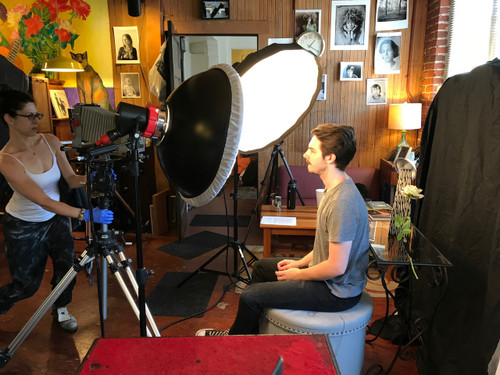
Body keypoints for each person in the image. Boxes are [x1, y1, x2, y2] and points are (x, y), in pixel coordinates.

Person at [196, 123, 370, 336]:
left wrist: (299, 275)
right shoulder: (333, 188)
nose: (306, 154)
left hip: (336, 292)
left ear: (330, 158)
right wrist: (299, 263)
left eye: (312, 150)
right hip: (329, 280)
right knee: (261, 267)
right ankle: (253, 335)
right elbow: (326, 247)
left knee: (250, 296)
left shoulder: (342, 201)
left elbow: (336, 266)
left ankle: (234, 343)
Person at [0, 86, 114, 333]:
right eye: (29, 116)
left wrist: (94, 178)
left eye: (37, 115)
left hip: (56, 217)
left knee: (67, 268)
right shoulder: (7, 160)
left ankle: (61, 308)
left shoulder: (50, 141)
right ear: (9, 118)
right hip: (23, 224)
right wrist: (84, 214)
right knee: (26, 285)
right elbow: (43, 200)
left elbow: (72, 179)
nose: (36, 121)